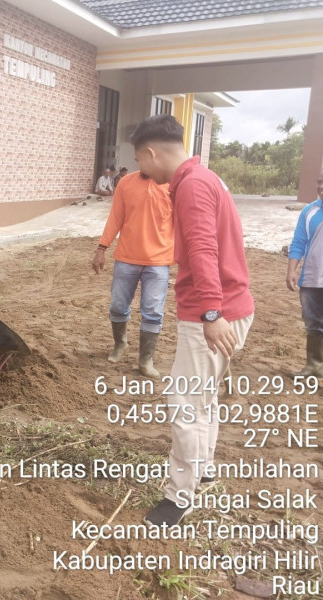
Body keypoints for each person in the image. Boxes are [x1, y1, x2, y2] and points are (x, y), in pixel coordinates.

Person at [132, 115, 254, 527]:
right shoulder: (205, 177)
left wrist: (211, 312)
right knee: (205, 399)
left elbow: (203, 249)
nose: (142, 172)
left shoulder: (192, 186)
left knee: (185, 401)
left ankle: (178, 497)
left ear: (152, 152)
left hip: (214, 312)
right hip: (230, 306)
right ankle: (202, 469)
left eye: (140, 163)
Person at [92, 170, 173, 378]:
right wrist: (102, 248)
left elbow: (182, 223)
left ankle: (145, 360)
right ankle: (120, 344)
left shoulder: (173, 184)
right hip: (126, 259)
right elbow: (115, 217)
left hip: (159, 262)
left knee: (153, 311)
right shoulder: (126, 183)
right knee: (118, 305)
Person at [286, 170, 323, 376]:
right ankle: (313, 366)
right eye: (319, 182)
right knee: (313, 323)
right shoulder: (309, 211)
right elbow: (299, 242)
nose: (321, 187)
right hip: (311, 279)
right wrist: (292, 270)